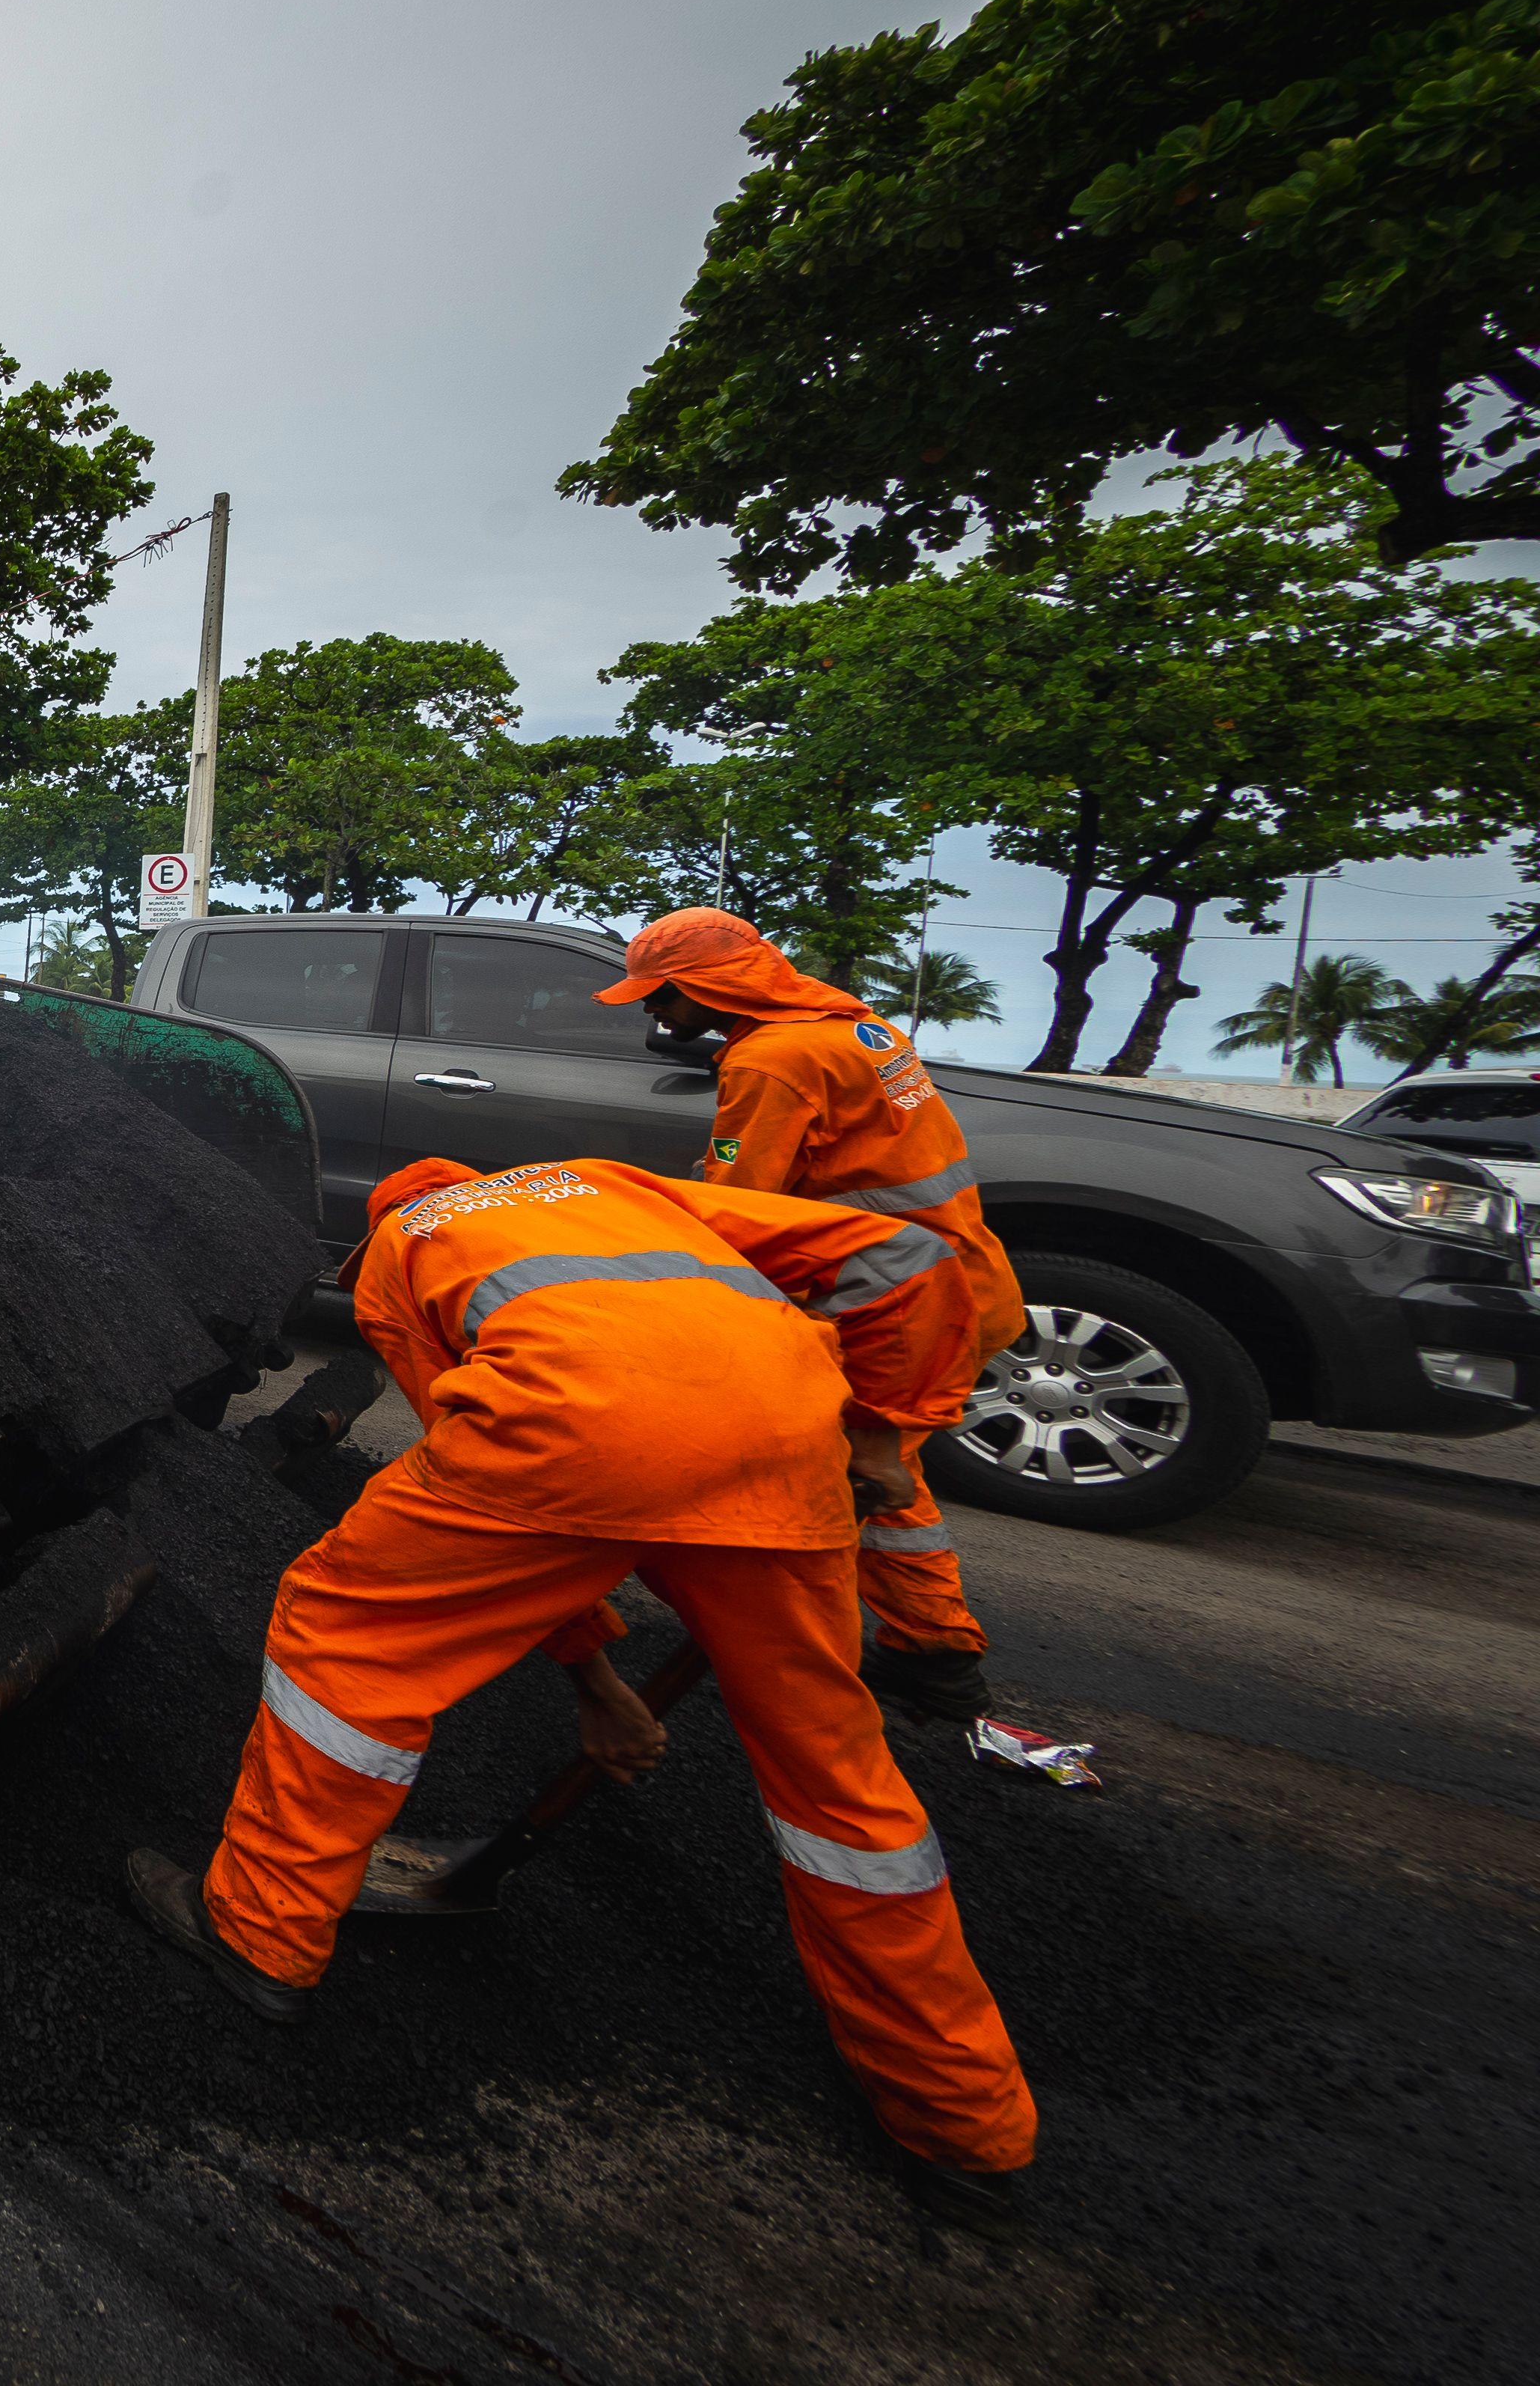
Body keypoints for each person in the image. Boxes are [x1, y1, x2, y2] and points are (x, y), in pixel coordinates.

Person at [124, 1155, 1033, 2234]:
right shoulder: (612, 1185)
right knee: (836, 1782)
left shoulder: (400, 1258)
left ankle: (262, 1935)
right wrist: (881, 1427)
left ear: (385, 1219)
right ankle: (961, 2124)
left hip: (580, 1433)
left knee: (346, 1633)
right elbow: (913, 1256)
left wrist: (592, 1676)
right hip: (787, 1441)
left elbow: (498, 1479)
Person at [597, 909, 1024, 1725]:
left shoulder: (773, 1063)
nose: (653, 1012)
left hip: (895, 1302)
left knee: (870, 1472)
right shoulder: (857, 1030)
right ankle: (921, 1645)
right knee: (874, 1468)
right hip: (957, 1276)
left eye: (662, 996)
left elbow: (742, 1208)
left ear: (707, 985)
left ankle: (931, 1657)